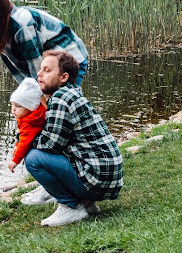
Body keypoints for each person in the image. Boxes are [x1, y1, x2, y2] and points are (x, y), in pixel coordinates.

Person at [20, 50, 123, 227]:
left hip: (97, 176)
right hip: (107, 175)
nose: (39, 73)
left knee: (33, 158)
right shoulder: (72, 93)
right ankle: (86, 204)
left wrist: (24, 138)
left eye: (47, 70)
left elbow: (51, 144)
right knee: (41, 150)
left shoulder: (60, 98)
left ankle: (70, 206)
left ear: (63, 77)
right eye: (40, 69)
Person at [0, 0, 88, 85]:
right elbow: (15, 68)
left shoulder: (22, 25)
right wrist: (29, 91)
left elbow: (36, 64)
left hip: (69, 56)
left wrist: (42, 96)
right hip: (46, 65)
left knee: (63, 103)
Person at [7, 78, 46, 173]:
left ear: (30, 107)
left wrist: (15, 161)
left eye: (18, 106)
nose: (13, 109)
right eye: (12, 105)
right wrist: (17, 145)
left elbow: (25, 142)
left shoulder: (29, 123)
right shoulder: (37, 113)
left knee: (29, 156)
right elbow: (22, 136)